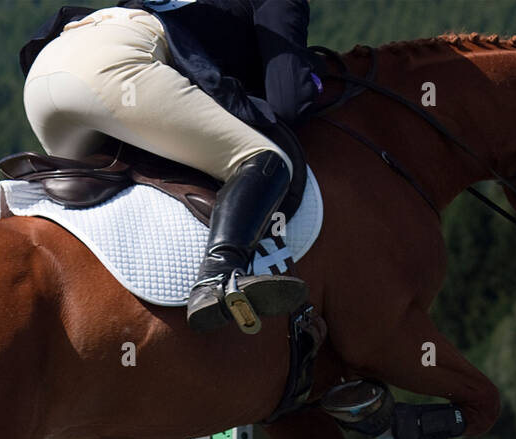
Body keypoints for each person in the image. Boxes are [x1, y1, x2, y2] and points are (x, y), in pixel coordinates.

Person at [18, 1, 317, 332]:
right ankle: (218, 276)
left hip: (45, 73)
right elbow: (288, 102)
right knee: (263, 158)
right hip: (113, 68)